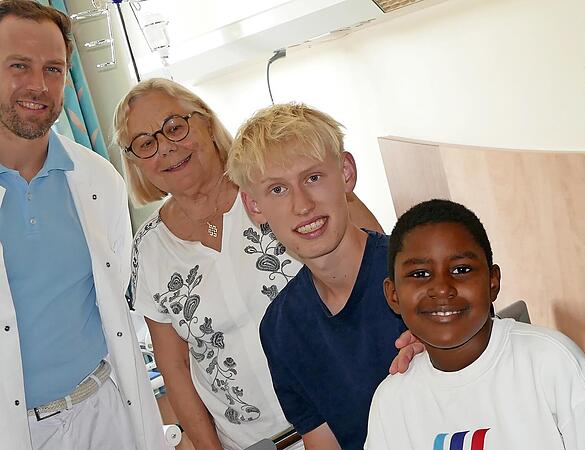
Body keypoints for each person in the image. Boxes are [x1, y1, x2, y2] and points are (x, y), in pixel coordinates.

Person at [113, 79, 382, 450]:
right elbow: (174, 369)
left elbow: (382, 272)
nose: (166, 149)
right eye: (146, 143)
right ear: (136, 162)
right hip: (255, 443)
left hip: (355, 417)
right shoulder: (149, 250)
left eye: (174, 127)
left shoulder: (278, 187)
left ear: (206, 122)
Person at [0, 1, 166, 449]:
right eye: (19, 65)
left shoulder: (99, 181)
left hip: (102, 413)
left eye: (53, 69)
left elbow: (119, 304)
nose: (38, 85)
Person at [365, 199, 585, 450]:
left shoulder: (549, 362)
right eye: (420, 274)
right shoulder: (392, 402)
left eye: (461, 269)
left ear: (493, 282)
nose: (442, 289)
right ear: (393, 295)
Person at [227, 103, 406, 450]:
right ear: (254, 206)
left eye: (312, 178)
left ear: (346, 173)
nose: (302, 205)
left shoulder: (417, 274)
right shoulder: (281, 329)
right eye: (277, 189)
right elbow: (323, 442)